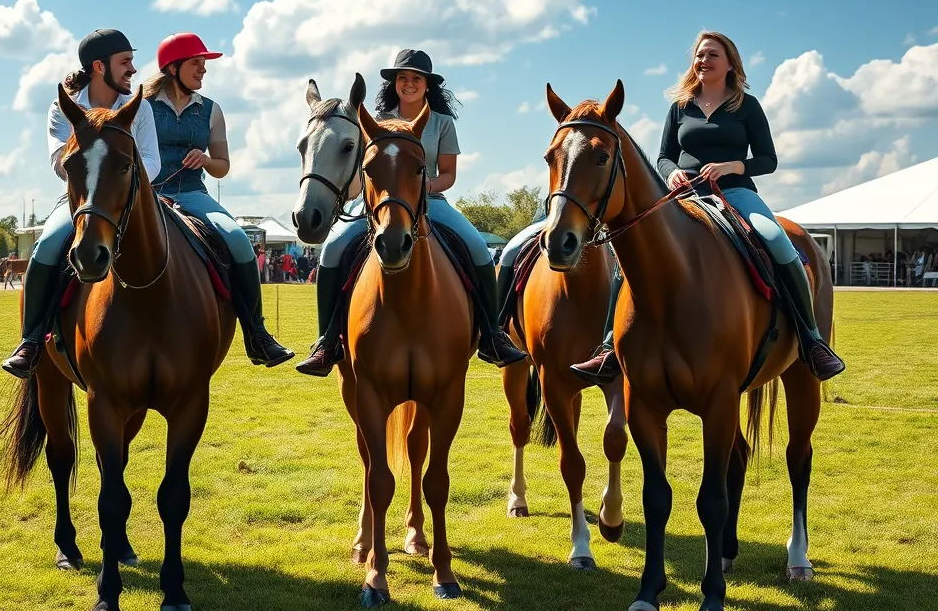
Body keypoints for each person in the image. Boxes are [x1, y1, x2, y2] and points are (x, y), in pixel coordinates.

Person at [572, 31, 844, 385]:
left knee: (775, 238)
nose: (703, 60)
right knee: (633, 252)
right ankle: (609, 347)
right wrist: (671, 176)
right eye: (699, 55)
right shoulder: (679, 106)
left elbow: (768, 159)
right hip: (684, 197)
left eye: (712, 55)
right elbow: (664, 156)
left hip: (735, 192)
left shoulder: (747, 106)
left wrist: (732, 166)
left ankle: (810, 340)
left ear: (730, 63)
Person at [295, 48, 525, 376]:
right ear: (395, 83)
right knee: (332, 248)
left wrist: (420, 189)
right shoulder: (372, 118)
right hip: (376, 203)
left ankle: (492, 335)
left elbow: (448, 174)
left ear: (426, 84)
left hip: (429, 201)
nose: (409, 83)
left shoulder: (443, 123)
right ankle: (327, 341)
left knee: (478, 249)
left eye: (416, 78)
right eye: (403, 78)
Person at [1, 29, 162, 379]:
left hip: (136, 195)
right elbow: (60, 161)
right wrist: (97, 176)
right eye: (126, 62)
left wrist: (126, 184)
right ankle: (30, 342)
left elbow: (151, 159)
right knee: (45, 249)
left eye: (132, 61)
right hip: (82, 199)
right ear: (99, 66)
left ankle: (251, 330)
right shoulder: (63, 108)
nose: (133, 69)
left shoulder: (141, 107)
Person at [145, 33, 292, 367]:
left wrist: (206, 160)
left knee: (239, 240)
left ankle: (257, 334)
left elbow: (223, 166)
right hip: (147, 195)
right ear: (173, 67)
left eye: (204, 64)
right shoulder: (140, 105)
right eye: (197, 63)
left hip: (194, 193)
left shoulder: (212, 110)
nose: (203, 70)